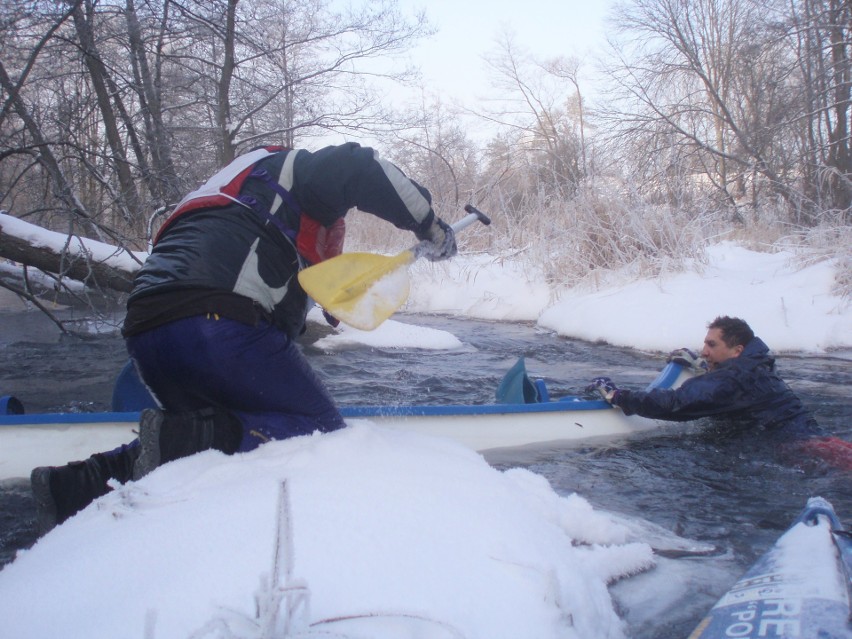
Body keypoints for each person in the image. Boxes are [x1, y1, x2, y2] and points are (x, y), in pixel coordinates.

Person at [30, 143, 458, 533]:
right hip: (218, 322)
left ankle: (79, 485)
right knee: (318, 433)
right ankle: (181, 446)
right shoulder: (297, 170)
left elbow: (289, 280)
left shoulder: (230, 197)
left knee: (209, 438)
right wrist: (429, 226)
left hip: (146, 333)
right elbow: (361, 166)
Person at [586, 316, 824, 440]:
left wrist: (618, 395)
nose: (704, 351)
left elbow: (675, 403)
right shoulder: (759, 363)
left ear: (737, 350)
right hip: (809, 435)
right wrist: (704, 366)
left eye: (711, 345)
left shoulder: (732, 379)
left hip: (798, 448)